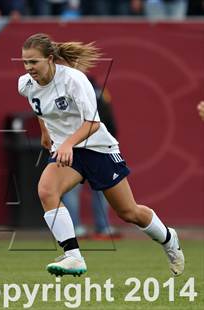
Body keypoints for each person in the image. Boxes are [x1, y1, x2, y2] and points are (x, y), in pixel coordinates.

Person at [17, 33, 184, 277]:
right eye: (25, 62)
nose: (29, 68)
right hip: (69, 153)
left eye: (34, 62)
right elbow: (39, 107)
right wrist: (45, 132)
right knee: (46, 190)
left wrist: (67, 145)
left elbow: (92, 123)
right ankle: (73, 256)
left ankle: (169, 239)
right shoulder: (25, 84)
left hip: (97, 148)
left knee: (129, 212)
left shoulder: (74, 80)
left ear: (50, 59)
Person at [62, 77, 120, 239]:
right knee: (99, 190)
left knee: (72, 190)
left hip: (78, 145)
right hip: (92, 146)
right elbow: (108, 117)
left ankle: (77, 228)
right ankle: (101, 227)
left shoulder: (67, 86)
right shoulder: (95, 88)